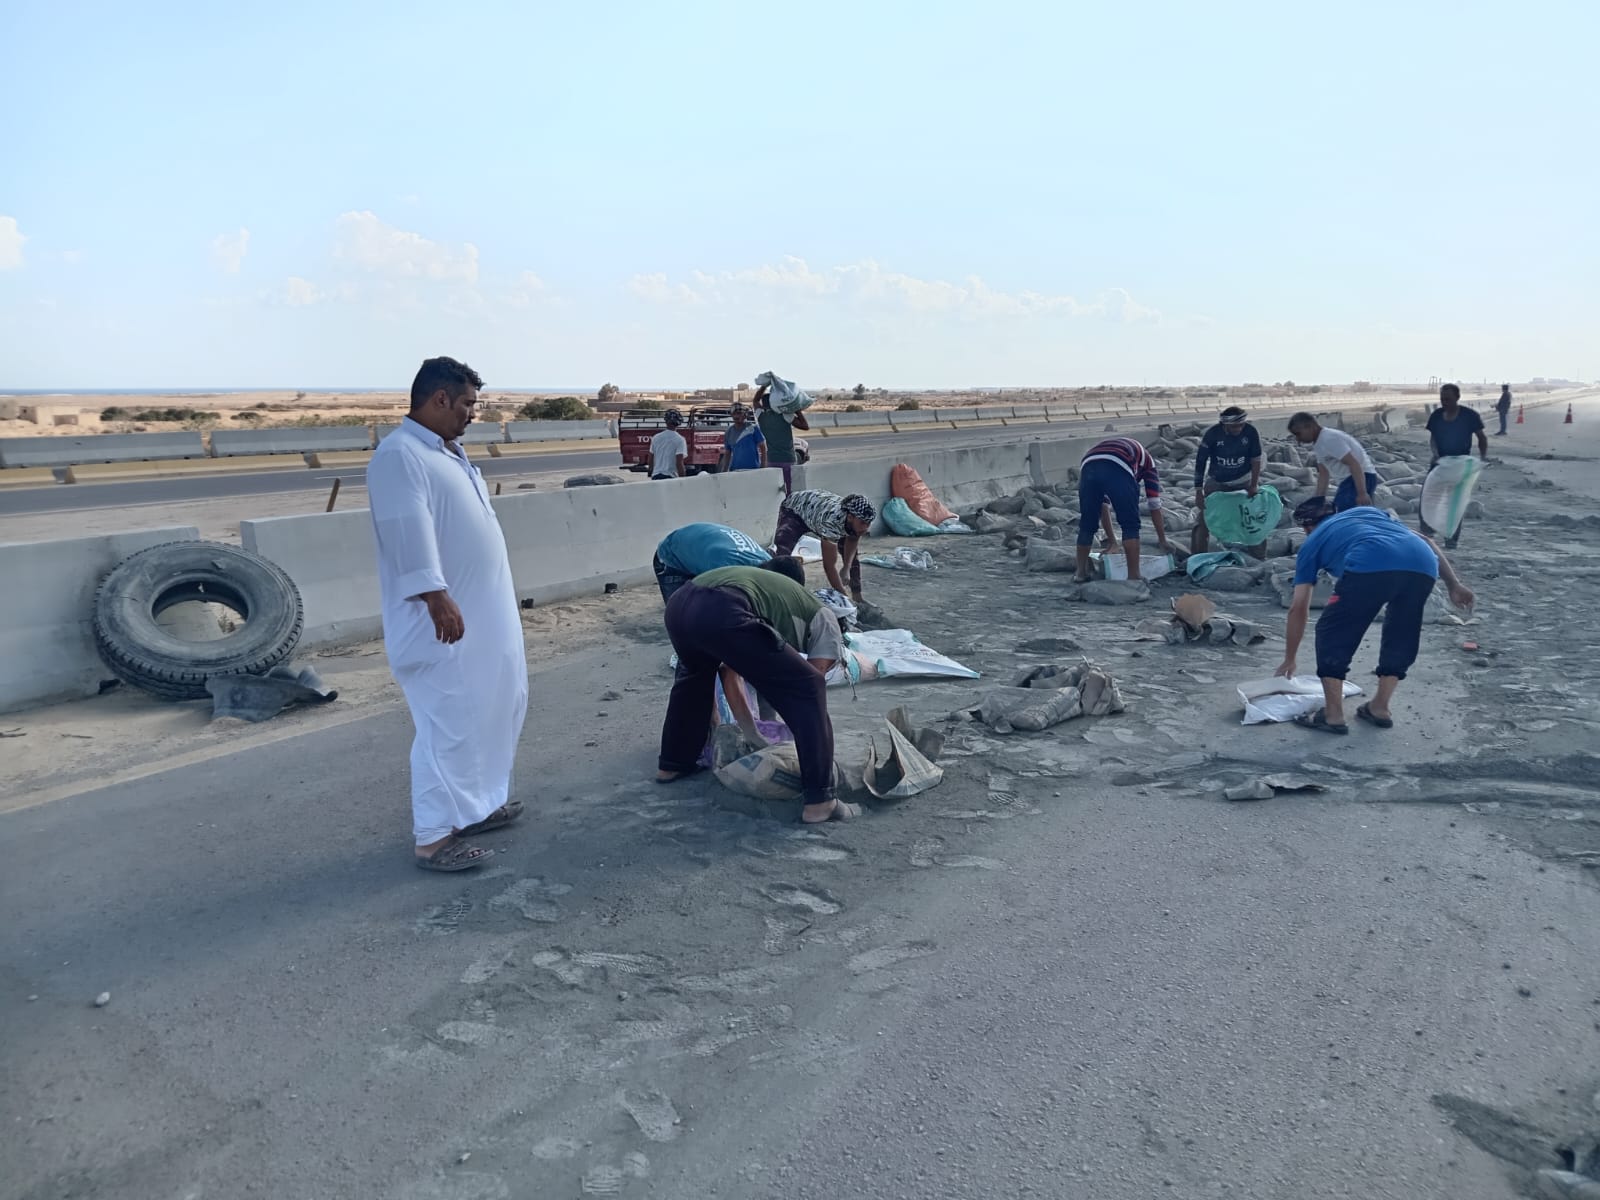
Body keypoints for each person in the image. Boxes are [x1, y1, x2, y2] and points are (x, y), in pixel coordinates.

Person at [367, 356, 528, 872]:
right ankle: (434, 838)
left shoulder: (446, 452)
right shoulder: (400, 455)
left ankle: (477, 807)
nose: (471, 414)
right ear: (439, 399)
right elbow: (405, 529)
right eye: (466, 404)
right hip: (441, 623)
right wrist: (435, 595)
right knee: (451, 723)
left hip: (483, 617)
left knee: (496, 708)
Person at [656, 565, 857, 824]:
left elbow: (732, 671)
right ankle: (821, 802)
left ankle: (673, 764)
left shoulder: (781, 606)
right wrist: (798, 740)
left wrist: (753, 732)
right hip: (722, 606)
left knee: (694, 680)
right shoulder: (827, 620)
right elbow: (808, 685)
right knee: (808, 688)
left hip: (680, 605)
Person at [1276, 497, 1473, 734]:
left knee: (1333, 632)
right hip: (1422, 564)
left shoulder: (1313, 542)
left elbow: (1298, 607)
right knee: (1402, 631)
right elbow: (1426, 540)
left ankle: (1333, 715)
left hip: (1369, 562)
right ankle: (1380, 707)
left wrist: (1289, 658)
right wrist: (1454, 585)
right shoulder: (1368, 513)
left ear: (1307, 528)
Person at [1074, 436, 1172, 582]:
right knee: (1130, 524)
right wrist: (1163, 540)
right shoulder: (1149, 465)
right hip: (1118, 462)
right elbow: (1154, 504)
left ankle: (1080, 573)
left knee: (1087, 523)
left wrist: (1113, 542)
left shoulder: (1131, 455)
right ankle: (1134, 575)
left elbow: (1103, 505)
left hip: (1089, 462)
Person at [653, 522, 805, 603]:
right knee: (682, 615)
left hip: (699, 543)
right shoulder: (725, 569)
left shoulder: (766, 561)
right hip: (671, 555)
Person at [773, 488, 875, 602]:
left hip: (818, 509)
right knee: (782, 555)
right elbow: (829, 566)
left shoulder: (855, 519)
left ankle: (858, 598)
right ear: (850, 517)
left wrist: (846, 567)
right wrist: (844, 599)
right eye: (863, 523)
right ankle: (777, 595)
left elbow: (852, 541)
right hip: (795, 509)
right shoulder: (831, 523)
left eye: (868, 523)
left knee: (853, 556)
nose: (866, 528)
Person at [1420, 383, 1489, 549]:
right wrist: (1435, 454)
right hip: (1440, 463)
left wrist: (1482, 457)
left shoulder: (1469, 416)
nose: (1445, 402)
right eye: (1442, 399)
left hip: (1461, 465)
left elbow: (1481, 437)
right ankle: (1427, 533)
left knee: (1455, 503)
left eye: (1448, 399)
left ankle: (1451, 539)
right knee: (1428, 496)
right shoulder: (1437, 416)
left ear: (1457, 398)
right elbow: (1433, 438)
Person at [1191, 406, 1264, 553]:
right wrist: (1198, 491)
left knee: (1254, 517)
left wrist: (1254, 485)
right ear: (1225, 424)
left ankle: (1259, 556)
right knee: (1205, 519)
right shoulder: (1213, 434)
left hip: (1243, 480)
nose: (1238, 429)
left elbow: (1256, 460)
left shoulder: (1250, 432)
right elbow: (1200, 462)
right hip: (1217, 481)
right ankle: (1198, 554)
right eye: (1234, 426)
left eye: (1241, 425)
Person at [1288, 412, 1376, 511]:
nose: (1298, 439)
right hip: (1349, 481)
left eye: (1298, 434)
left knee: (1346, 513)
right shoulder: (1319, 443)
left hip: (1360, 478)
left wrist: (1362, 493)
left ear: (1310, 426)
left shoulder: (1329, 439)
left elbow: (1354, 464)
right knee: (1343, 512)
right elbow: (1324, 473)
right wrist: (1318, 499)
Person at [755, 384, 809, 495]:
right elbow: (805, 426)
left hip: (771, 460)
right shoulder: (785, 415)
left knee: (774, 492)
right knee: (790, 491)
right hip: (788, 459)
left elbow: (755, 400)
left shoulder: (761, 416)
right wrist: (796, 409)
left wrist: (764, 386)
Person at [718, 405, 767, 473]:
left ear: (745, 415)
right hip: (736, 471)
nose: (736, 416)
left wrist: (763, 467)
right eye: (734, 414)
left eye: (739, 413)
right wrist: (724, 471)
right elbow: (727, 454)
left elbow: (763, 447)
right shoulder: (728, 432)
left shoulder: (753, 428)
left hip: (753, 470)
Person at [648, 409, 688, 480]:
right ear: (678, 423)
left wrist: (650, 472)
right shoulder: (680, 440)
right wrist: (683, 480)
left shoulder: (656, 437)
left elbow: (650, 459)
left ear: (666, 421)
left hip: (656, 476)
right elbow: (679, 462)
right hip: (670, 477)